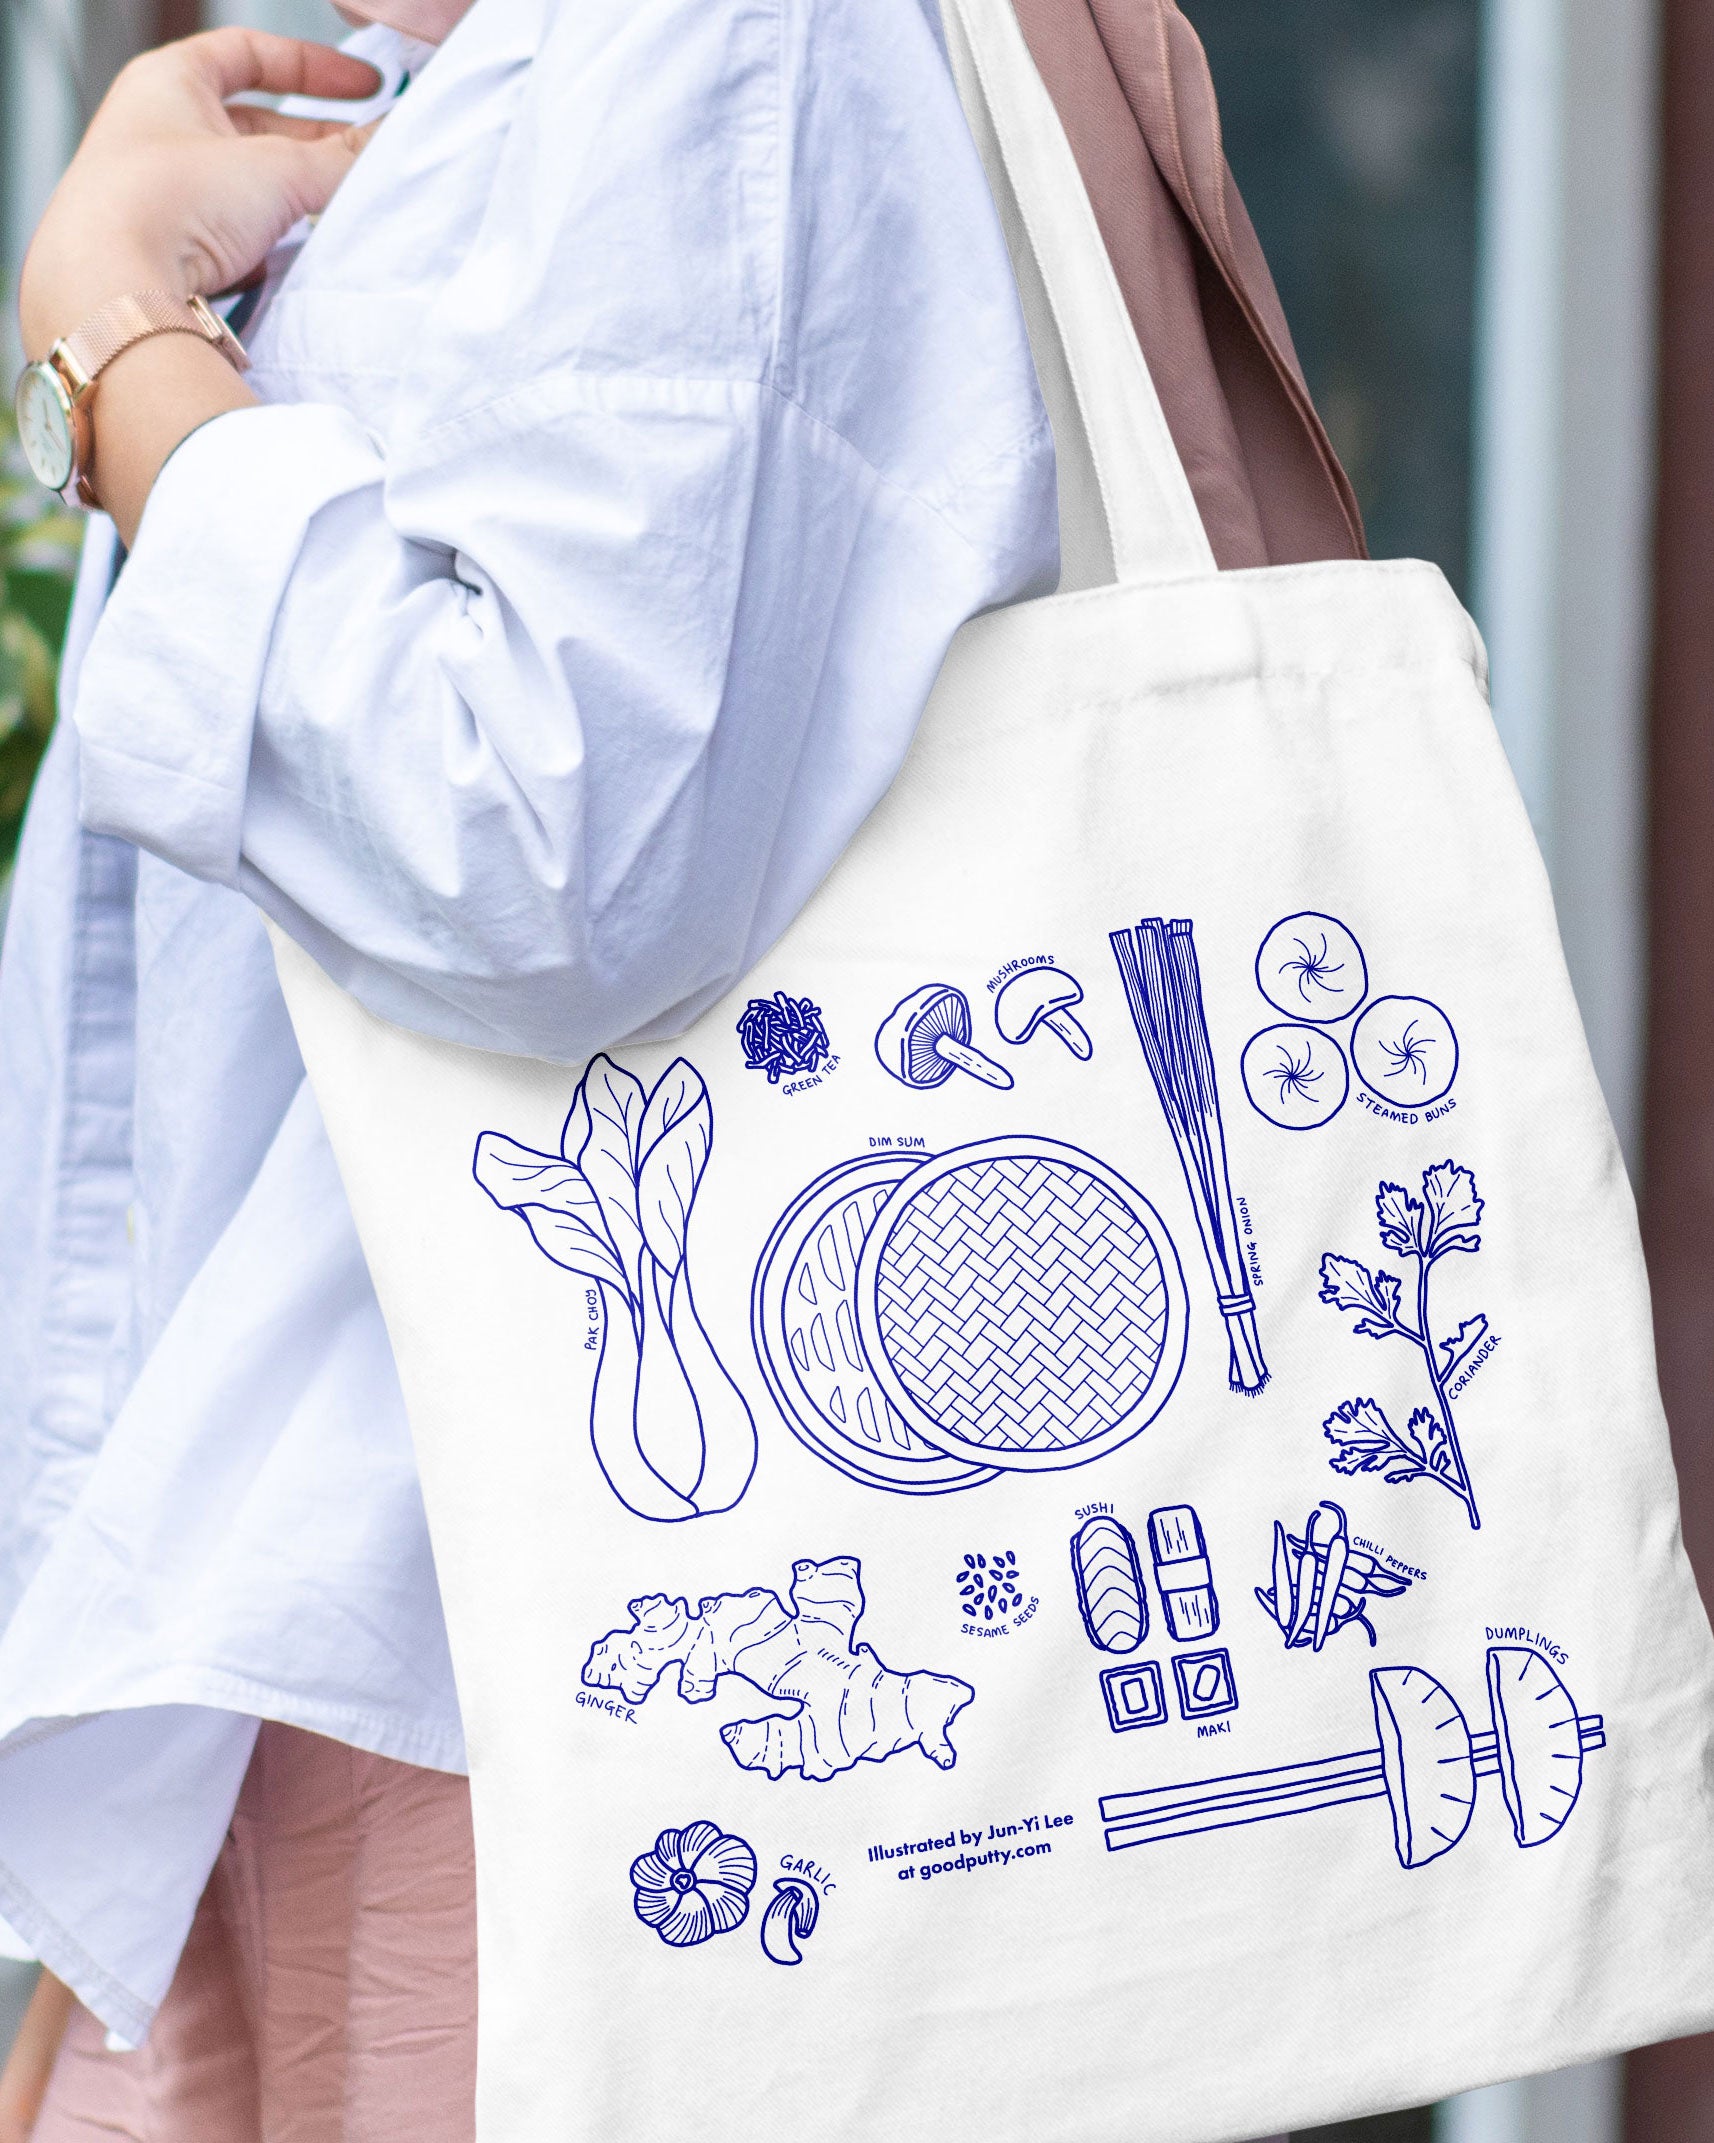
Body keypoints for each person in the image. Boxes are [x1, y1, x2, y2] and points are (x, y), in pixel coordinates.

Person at [0, 0, 1057, 2129]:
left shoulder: (711, 38)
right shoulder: (459, 61)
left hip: (529, 1690)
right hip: (346, 1643)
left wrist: (118, 347)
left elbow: (537, 846)